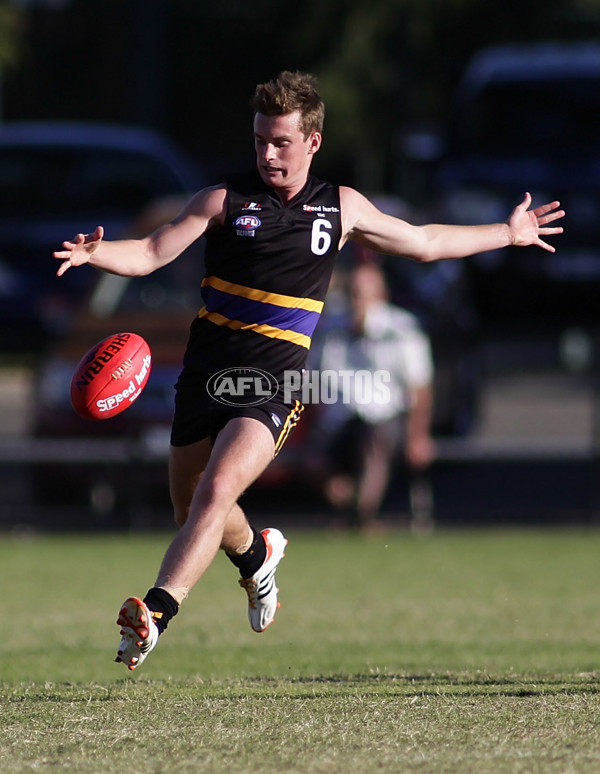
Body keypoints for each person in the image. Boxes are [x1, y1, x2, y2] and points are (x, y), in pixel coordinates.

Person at [52, 71, 565, 671]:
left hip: (274, 380)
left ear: (313, 142)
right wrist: (97, 254)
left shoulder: (340, 207)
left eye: (281, 142)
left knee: (218, 490)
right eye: (261, 140)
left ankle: (156, 614)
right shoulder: (222, 200)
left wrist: (507, 232)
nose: (268, 153)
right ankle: (257, 560)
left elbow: (423, 242)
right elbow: (149, 253)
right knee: (191, 504)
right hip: (205, 373)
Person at [308, 260, 435, 530]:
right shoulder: (330, 328)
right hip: (339, 418)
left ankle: (361, 517)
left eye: (365, 294)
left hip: (386, 417)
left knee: (374, 443)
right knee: (312, 458)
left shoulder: (402, 329)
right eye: (354, 293)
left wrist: (418, 437)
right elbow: (312, 380)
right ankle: (352, 508)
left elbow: (420, 387)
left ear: (381, 296)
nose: (359, 301)